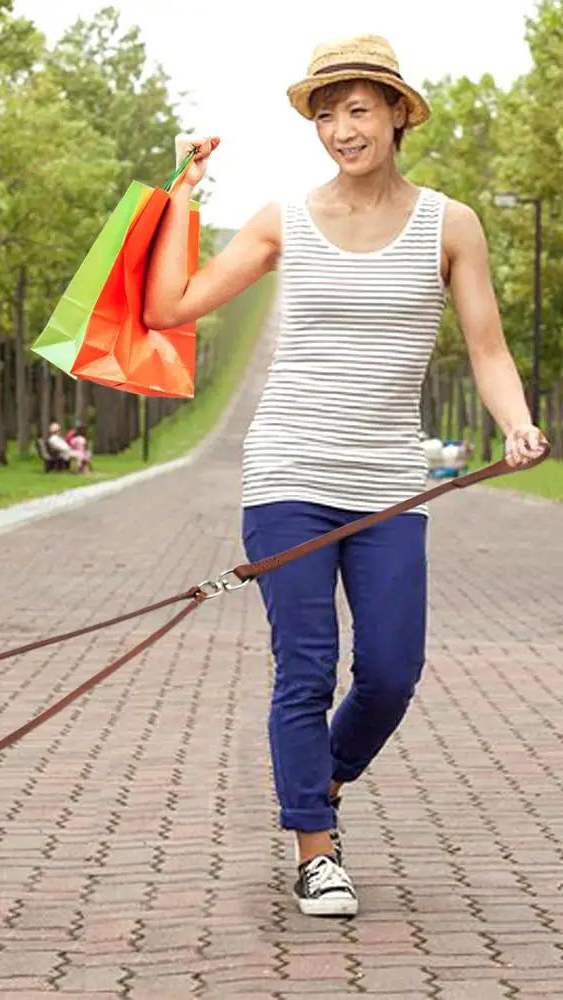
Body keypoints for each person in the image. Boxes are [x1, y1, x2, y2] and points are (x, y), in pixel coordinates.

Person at [143, 34, 547, 918]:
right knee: (305, 668)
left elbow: (488, 348)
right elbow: (170, 306)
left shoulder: (451, 224)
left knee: (393, 671)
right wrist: (182, 194)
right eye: (325, 114)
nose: (340, 129)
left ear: (398, 112)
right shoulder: (283, 219)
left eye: (357, 109)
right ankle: (314, 850)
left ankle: (317, 781)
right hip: (288, 469)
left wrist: (516, 423)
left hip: (390, 481)